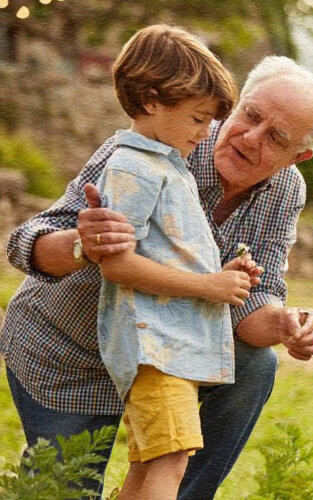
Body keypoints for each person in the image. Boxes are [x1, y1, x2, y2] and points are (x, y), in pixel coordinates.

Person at [2, 49, 313, 498]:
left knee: (255, 364)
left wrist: (283, 323)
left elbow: (256, 296)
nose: (251, 138)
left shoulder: (285, 189)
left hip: (167, 354)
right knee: (62, 492)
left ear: (299, 155)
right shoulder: (156, 141)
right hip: (72, 351)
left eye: (275, 137)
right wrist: (84, 243)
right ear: (236, 102)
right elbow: (29, 241)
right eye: (250, 115)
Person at [93, 25, 264, 499]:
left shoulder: (168, 164)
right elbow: (116, 265)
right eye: (197, 118)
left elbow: (170, 253)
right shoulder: (133, 167)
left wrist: (224, 275)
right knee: (169, 463)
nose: (205, 133)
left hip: (172, 351)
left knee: (150, 467)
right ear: (151, 101)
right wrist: (209, 287)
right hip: (155, 350)